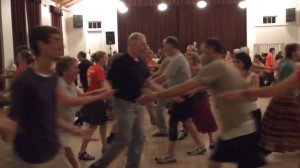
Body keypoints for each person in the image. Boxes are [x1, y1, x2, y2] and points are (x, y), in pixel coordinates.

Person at [138, 38, 265, 168]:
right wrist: (198, 88)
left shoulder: (216, 66)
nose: (202, 55)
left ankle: (193, 147)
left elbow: (188, 84)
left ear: (212, 51)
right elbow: (215, 84)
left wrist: (156, 94)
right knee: (214, 162)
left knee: (217, 163)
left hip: (240, 131)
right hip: (236, 129)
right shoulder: (225, 66)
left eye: (204, 52)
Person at [9, 26, 112, 168]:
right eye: (56, 40)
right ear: (42, 45)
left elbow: (63, 106)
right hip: (31, 157)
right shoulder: (25, 81)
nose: (61, 44)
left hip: (52, 149)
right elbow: (12, 124)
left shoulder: (51, 77)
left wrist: (76, 130)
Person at [89, 32, 165, 168]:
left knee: (138, 139)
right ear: (133, 44)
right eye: (143, 44)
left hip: (137, 104)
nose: (146, 46)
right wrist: (107, 91)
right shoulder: (120, 61)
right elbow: (108, 80)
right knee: (124, 138)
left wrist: (168, 94)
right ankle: (99, 165)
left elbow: (149, 82)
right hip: (122, 103)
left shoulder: (141, 62)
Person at [152, 37, 206, 164]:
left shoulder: (177, 59)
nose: (163, 49)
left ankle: (170, 155)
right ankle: (201, 146)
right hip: (182, 95)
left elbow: (165, 76)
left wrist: (147, 84)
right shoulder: (177, 58)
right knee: (187, 121)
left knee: (173, 124)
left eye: (165, 46)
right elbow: (168, 79)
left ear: (171, 46)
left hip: (181, 96)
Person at [56, 56, 112, 168]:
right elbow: (72, 101)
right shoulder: (58, 84)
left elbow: (81, 95)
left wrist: (100, 91)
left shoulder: (71, 84)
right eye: (75, 68)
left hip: (64, 128)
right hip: (54, 130)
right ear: (64, 70)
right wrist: (100, 96)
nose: (78, 70)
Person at [79, 51, 110, 160]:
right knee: (92, 126)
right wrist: (109, 92)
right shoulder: (99, 69)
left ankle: (105, 146)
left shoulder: (91, 68)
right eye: (105, 57)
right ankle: (82, 151)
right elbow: (102, 86)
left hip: (91, 98)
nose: (106, 59)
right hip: (96, 99)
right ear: (100, 58)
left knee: (103, 123)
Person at [186, 52, 217, 149]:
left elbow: (207, 86)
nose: (187, 60)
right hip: (191, 99)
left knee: (207, 119)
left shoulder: (200, 71)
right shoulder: (187, 71)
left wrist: (195, 89)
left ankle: (211, 141)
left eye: (189, 59)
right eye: (187, 58)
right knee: (193, 120)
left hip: (201, 98)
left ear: (194, 60)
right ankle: (199, 142)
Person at [235, 52, 262, 131]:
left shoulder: (253, 77)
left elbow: (254, 97)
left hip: (252, 111)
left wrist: (236, 95)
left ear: (245, 62)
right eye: (235, 61)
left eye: (238, 61)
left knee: (254, 137)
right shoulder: (234, 77)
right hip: (238, 111)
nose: (236, 64)